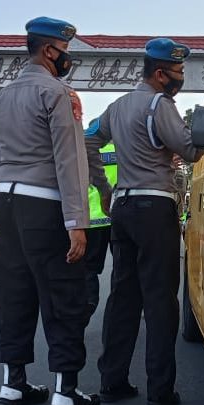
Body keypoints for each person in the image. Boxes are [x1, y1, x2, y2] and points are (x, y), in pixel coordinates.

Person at [0, 16, 111, 405]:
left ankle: (13, 385)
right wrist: (77, 222)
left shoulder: (2, 97)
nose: (67, 58)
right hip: (45, 206)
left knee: (14, 295)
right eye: (65, 51)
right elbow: (70, 160)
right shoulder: (58, 93)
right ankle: (65, 392)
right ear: (48, 50)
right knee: (64, 297)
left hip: (7, 203)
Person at [86, 38, 204, 405]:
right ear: (160, 74)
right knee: (159, 299)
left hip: (122, 207)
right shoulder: (160, 104)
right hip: (155, 207)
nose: (181, 78)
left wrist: (103, 187)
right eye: (178, 71)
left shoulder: (117, 106)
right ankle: (160, 390)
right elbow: (190, 150)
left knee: (123, 297)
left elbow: (88, 141)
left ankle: (112, 381)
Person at [82, 118, 117, 325]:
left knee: (88, 269)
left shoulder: (84, 152)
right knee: (122, 267)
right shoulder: (120, 151)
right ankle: (119, 308)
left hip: (91, 220)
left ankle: (88, 304)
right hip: (115, 217)